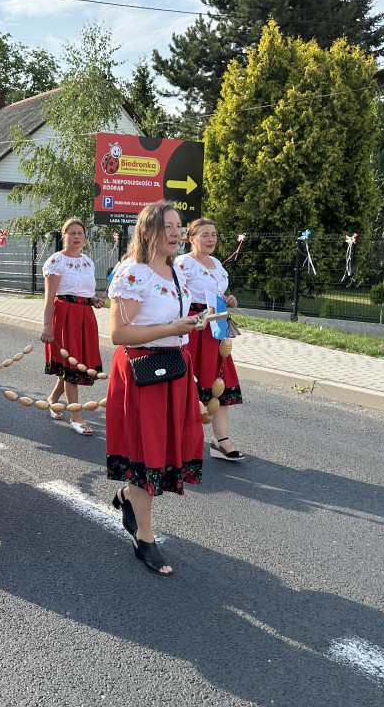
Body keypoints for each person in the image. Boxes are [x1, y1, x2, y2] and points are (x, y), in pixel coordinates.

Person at [105, 201, 204, 576]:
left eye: (179, 226)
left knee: (159, 453)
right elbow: (118, 333)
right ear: (148, 231)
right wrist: (172, 329)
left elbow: (167, 318)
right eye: (169, 226)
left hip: (174, 369)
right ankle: (144, 538)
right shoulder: (133, 272)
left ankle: (128, 496)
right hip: (142, 370)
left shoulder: (176, 269)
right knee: (145, 456)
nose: (177, 233)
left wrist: (191, 323)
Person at [175, 218, 244, 461]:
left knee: (219, 381)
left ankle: (220, 440)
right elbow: (178, 297)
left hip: (217, 327)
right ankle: (183, 440)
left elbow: (217, 294)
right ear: (191, 238)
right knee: (189, 384)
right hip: (196, 327)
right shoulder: (183, 263)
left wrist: (228, 300)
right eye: (205, 235)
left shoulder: (216, 263)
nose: (211, 239)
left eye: (213, 234)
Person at [40, 218, 105, 435]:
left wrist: (93, 300)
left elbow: (84, 291)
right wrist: (47, 326)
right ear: (63, 236)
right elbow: (50, 298)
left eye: (80, 233)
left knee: (73, 365)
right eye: (72, 233)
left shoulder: (88, 261)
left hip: (84, 316)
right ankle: (75, 416)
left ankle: (52, 400)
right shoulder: (56, 261)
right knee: (71, 366)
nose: (76, 236)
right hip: (64, 315)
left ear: (84, 237)